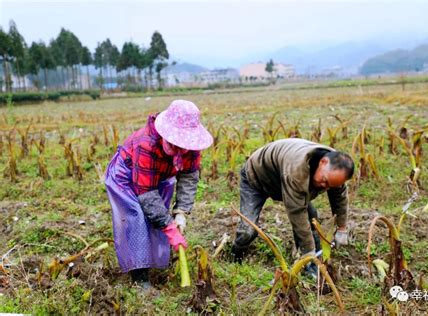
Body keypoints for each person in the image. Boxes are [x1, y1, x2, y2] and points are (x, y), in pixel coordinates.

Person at [105, 100, 213, 289]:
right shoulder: (146, 144)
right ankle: (139, 276)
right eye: (174, 144)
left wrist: (181, 212)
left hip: (160, 176)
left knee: (158, 219)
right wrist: (170, 228)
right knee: (137, 218)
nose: (180, 149)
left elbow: (188, 177)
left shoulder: (192, 146)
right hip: (127, 177)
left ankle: (155, 263)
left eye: (183, 145)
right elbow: (146, 193)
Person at [231, 138, 354, 276]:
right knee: (247, 231)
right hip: (257, 178)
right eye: (325, 181)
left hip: (281, 178)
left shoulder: (336, 168)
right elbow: (297, 213)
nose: (325, 187)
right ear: (323, 162)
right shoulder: (296, 170)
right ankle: (236, 256)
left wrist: (342, 228)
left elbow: (339, 197)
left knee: (312, 220)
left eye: (330, 185)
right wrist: (308, 252)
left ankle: (313, 264)